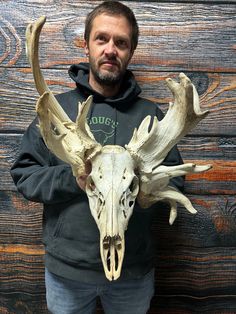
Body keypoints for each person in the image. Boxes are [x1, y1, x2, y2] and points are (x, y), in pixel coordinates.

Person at [11, 1, 184, 313]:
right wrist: (75, 177)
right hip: (68, 274)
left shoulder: (151, 117)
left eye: (121, 42)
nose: (110, 49)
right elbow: (25, 175)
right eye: (101, 39)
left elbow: (175, 179)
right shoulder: (55, 111)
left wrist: (143, 187)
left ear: (131, 51)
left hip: (133, 274)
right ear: (87, 44)